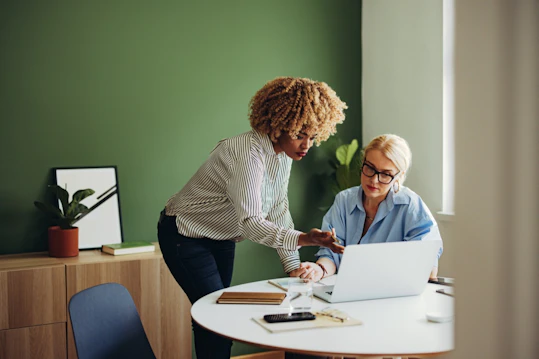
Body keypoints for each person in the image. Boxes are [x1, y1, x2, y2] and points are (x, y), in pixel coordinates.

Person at [157, 76, 348, 359]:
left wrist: (293, 265)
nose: (307, 144)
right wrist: (304, 239)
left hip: (222, 236)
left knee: (219, 316)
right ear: (278, 123)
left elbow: (279, 207)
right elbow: (252, 222)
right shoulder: (248, 153)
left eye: (312, 135)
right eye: (300, 134)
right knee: (213, 318)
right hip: (186, 236)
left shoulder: (283, 154)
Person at [295, 134, 443, 283]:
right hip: (348, 288)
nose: (374, 179)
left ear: (399, 176)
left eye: (385, 174)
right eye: (370, 168)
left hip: (392, 291)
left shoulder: (410, 205)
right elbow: (330, 253)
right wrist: (319, 269)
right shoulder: (344, 201)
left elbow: (428, 257)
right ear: (363, 163)